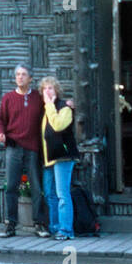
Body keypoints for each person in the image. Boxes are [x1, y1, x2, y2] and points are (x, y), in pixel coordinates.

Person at [0, 64, 50, 238]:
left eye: (24, 74)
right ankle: (10, 225)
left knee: (36, 187)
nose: (20, 77)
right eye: (17, 74)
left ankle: (39, 224)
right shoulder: (8, 98)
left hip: (33, 148)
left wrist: (68, 105)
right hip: (13, 147)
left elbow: (51, 110)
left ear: (30, 78)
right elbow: (0, 121)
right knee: (11, 186)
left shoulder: (37, 98)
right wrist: (0, 133)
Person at [39, 76, 78, 241]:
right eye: (44, 89)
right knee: (49, 194)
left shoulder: (64, 108)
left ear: (57, 91)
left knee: (62, 194)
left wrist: (49, 105)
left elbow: (57, 126)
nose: (47, 91)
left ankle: (66, 229)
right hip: (48, 158)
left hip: (63, 156)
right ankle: (55, 227)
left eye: (50, 88)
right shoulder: (45, 109)